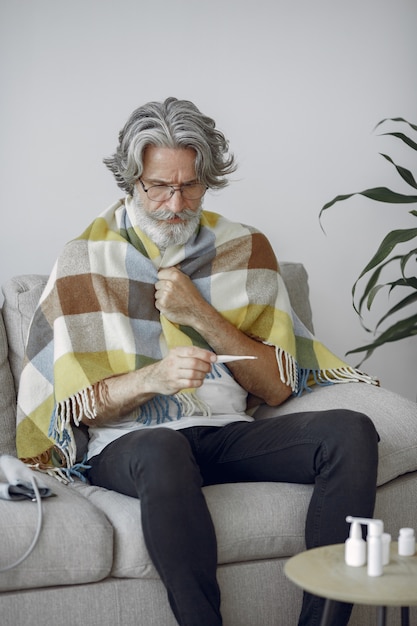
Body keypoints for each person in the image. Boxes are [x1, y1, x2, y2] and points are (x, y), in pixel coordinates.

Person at [17, 97, 379, 626]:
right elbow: (81, 408)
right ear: (130, 179)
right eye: (159, 186)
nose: (175, 203)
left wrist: (200, 312)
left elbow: (277, 390)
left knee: (351, 431)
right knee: (163, 447)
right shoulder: (84, 261)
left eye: (190, 185)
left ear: (209, 179)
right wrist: (153, 378)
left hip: (223, 431)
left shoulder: (245, 248)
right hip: (132, 445)